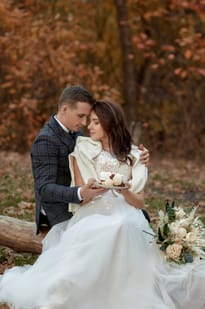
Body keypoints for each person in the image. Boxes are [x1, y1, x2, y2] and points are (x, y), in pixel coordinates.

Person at [0, 100, 205, 309]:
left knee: (123, 223)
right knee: (94, 230)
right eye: (89, 121)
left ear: (110, 124)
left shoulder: (135, 155)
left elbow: (139, 203)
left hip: (125, 210)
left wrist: (125, 190)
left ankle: (123, 294)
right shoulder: (83, 148)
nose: (89, 126)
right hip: (91, 209)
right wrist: (91, 189)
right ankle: (53, 300)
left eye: (96, 122)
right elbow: (83, 194)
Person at [31, 85, 150, 234]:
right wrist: (81, 193)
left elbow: (108, 148)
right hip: (59, 208)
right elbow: (44, 189)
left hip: (98, 202)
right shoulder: (45, 140)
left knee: (136, 220)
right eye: (81, 116)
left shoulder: (77, 132)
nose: (85, 123)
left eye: (88, 118)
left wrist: (140, 155)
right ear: (65, 110)